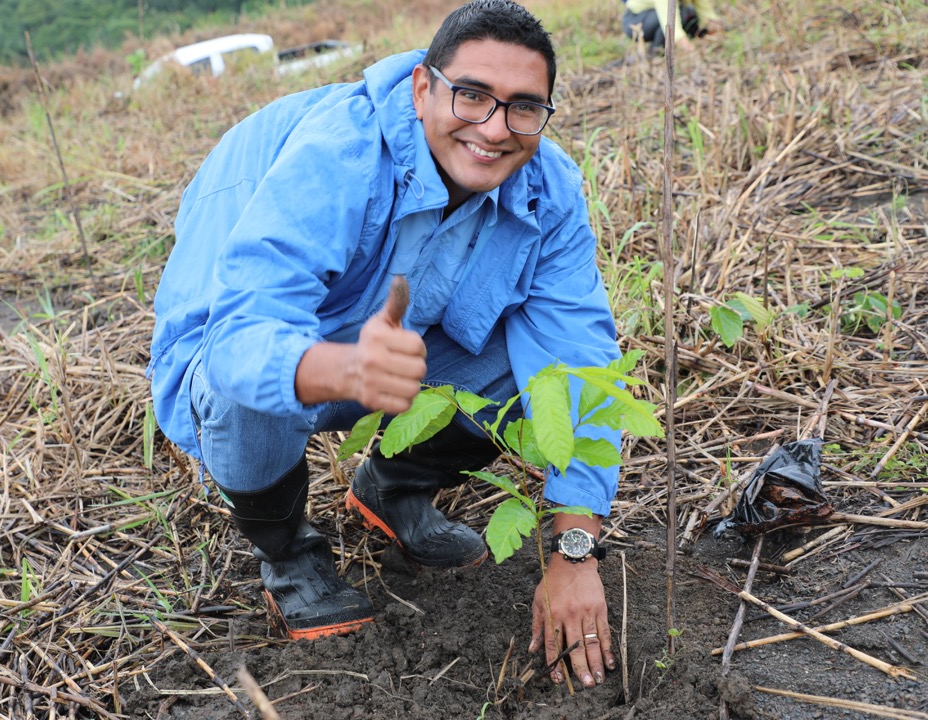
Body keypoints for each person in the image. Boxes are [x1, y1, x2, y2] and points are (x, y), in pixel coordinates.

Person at [147, 0, 621, 690]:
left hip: (386, 353)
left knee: (529, 371)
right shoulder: (339, 156)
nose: (495, 129)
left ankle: (392, 490)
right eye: (472, 95)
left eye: (523, 107)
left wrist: (575, 554)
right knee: (244, 389)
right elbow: (240, 341)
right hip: (243, 350)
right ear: (423, 88)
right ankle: (288, 554)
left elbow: (578, 359)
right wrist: (344, 368)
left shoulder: (548, 191)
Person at [621, 0, 722, 55]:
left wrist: (719, 35)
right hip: (635, 20)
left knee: (690, 13)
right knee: (680, 15)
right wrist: (693, 52)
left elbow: (708, 16)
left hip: (655, 13)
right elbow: (673, 30)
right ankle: (656, 51)